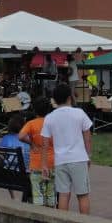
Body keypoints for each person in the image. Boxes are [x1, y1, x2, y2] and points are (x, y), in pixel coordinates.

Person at [40, 83, 92, 214]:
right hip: (79, 159)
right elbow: (87, 137)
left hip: (60, 161)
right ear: (70, 97)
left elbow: (44, 144)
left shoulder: (49, 117)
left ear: (55, 100)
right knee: (82, 195)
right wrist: (88, 155)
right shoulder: (79, 113)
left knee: (63, 195)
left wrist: (44, 164)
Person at [19, 97, 56, 208]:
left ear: (34, 110)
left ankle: (40, 217)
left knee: (38, 193)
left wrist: (31, 143)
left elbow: (21, 136)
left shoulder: (31, 123)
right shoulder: (53, 123)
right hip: (53, 162)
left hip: (36, 164)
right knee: (51, 192)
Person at [0, 114, 30, 199]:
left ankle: (13, 197)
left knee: (6, 165)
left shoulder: (6, 138)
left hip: (10, 174)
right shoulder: (28, 138)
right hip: (27, 173)